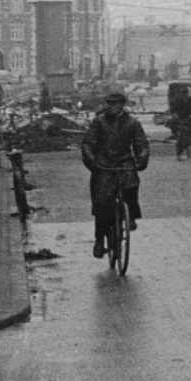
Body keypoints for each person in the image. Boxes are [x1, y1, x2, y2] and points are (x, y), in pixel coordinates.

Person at [81, 89, 149, 259]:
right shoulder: (99, 122)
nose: (112, 107)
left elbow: (141, 144)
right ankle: (99, 241)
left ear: (122, 105)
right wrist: (92, 161)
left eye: (116, 104)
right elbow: (88, 143)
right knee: (102, 204)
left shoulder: (132, 123)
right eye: (110, 104)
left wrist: (141, 160)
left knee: (131, 185)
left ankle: (131, 216)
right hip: (103, 165)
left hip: (124, 162)